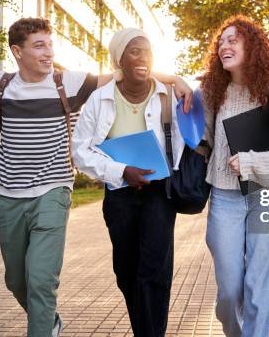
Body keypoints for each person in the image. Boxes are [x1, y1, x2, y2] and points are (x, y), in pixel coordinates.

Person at [0, 18, 192, 337]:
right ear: (16, 51)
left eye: (50, 44)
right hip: (26, 196)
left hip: (60, 190)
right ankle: (51, 319)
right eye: (39, 45)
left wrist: (174, 77)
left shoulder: (69, 83)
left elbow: (131, 70)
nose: (48, 52)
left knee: (48, 279)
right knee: (21, 280)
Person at [72, 28, 185, 336]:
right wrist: (121, 171)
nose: (142, 57)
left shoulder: (169, 94)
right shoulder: (100, 99)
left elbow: (188, 136)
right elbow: (80, 149)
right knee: (126, 272)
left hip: (160, 193)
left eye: (146, 51)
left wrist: (180, 82)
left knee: (154, 272)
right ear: (119, 58)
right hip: (120, 194)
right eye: (134, 51)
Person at [200, 15, 269, 336]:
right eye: (221, 41)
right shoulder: (212, 92)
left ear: (252, 47)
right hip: (225, 196)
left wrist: (250, 162)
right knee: (229, 290)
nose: (224, 46)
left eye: (233, 40)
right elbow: (203, 142)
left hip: (267, 195)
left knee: (259, 287)